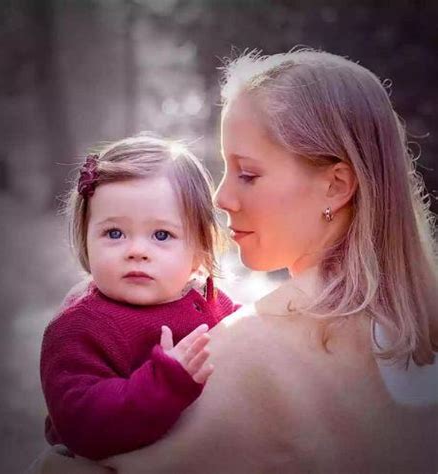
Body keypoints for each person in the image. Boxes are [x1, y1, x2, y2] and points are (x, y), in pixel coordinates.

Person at [32, 49, 438, 473]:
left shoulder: (255, 349)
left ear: (336, 186)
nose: (221, 197)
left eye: (247, 174)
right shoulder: (411, 334)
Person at [39, 135, 239, 461]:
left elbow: (249, 341)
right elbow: (81, 423)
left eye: (162, 235)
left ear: (199, 249)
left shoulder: (211, 300)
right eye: (114, 233)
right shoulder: (78, 328)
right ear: (85, 238)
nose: (136, 251)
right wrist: (164, 383)